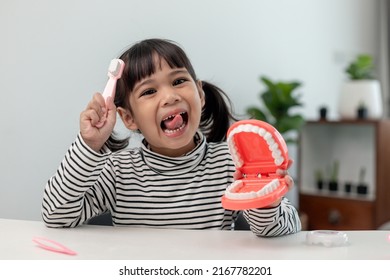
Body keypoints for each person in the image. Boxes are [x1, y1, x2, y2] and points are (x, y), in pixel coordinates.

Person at [41, 38, 301, 237]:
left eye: (178, 81)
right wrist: (90, 145)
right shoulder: (118, 171)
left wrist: (266, 203)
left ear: (199, 94)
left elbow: (283, 229)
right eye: (149, 91)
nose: (170, 96)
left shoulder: (229, 164)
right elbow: (56, 215)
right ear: (128, 117)